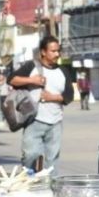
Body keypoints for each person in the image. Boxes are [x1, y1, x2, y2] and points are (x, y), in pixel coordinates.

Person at [9, 37, 74, 173]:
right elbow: (12, 79)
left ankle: (51, 189)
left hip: (55, 122)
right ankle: (29, 182)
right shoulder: (31, 66)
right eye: (53, 51)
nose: (57, 54)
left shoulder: (63, 71)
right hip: (34, 120)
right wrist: (32, 80)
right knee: (30, 155)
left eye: (58, 51)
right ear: (43, 52)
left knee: (52, 160)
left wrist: (52, 97)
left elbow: (69, 96)